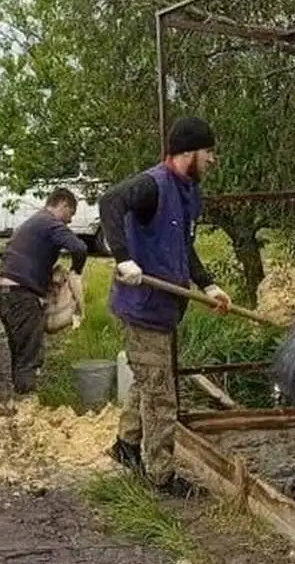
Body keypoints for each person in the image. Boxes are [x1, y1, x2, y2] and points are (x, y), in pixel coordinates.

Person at [99, 116, 231, 498]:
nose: (211, 160)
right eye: (208, 152)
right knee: (161, 396)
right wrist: (123, 258)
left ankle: (126, 446)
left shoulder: (188, 189)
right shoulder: (153, 185)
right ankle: (161, 476)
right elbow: (110, 201)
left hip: (165, 309)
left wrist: (208, 284)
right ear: (188, 152)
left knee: (148, 381)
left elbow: (182, 246)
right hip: (143, 307)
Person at [0, 187, 89, 394]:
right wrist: (76, 272)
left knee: (20, 349)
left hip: (3, 292)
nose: (69, 221)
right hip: (20, 295)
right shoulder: (49, 222)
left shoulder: (35, 222)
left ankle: (20, 399)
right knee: (29, 353)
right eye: (70, 214)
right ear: (62, 204)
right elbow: (80, 248)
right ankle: (29, 403)